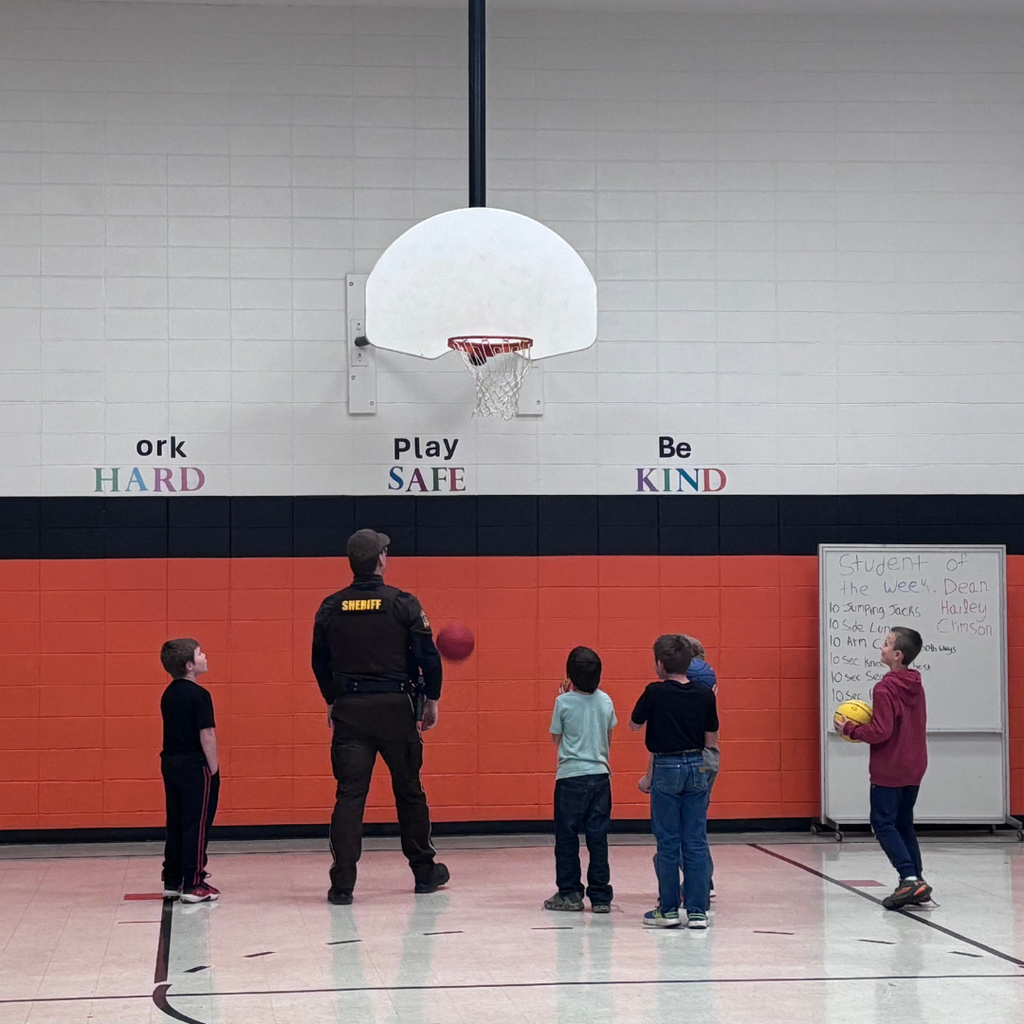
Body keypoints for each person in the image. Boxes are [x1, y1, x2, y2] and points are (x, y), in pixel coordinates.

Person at [311, 528, 449, 905]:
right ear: (382, 559)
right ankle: (424, 873)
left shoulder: (330, 607)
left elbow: (319, 661)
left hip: (350, 711)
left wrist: (330, 699)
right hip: (395, 710)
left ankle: (343, 884)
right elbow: (428, 657)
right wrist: (432, 700)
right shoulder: (403, 604)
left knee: (350, 797)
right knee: (409, 791)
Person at [834, 626, 930, 910]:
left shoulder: (885, 687)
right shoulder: (916, 683)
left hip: (891, 766)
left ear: (898, 655)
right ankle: (918, 880)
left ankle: (909, 879)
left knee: (883, 823)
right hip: (915, 763)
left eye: (886, 645)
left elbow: (881, 731)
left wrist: (850, 728)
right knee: (903, 823)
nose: (881, 648)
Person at [631, 634, 718, 929]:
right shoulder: (705, 695)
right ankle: (697, 911)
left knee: (668, 841)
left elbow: (633, 723)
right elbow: (711, 740)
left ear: (660, 664)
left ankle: (668, 909)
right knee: (695, 840)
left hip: (666, 767)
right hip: (697, 767)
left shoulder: (654, 692)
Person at [544, 646, 617, 914]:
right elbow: (608, 739)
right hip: (600, 776)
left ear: (570, 675)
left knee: (567, 837)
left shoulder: (562, 702)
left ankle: (570, 893)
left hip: (570, 778)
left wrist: (565, 697)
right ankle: (600, 896)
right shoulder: (606, 701)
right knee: (598, 837)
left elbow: (556, 738)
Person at [159, 638, 220, 904]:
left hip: (170, 763)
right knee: (197, 823)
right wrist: (214, 768)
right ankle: (193, 883)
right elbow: (206, 734)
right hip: (195, 765)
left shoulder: (168, 694)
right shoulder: (200, 695)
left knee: (176, 820)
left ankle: (172, 880)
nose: (205, 655)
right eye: (199, 653)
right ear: (189, 666)